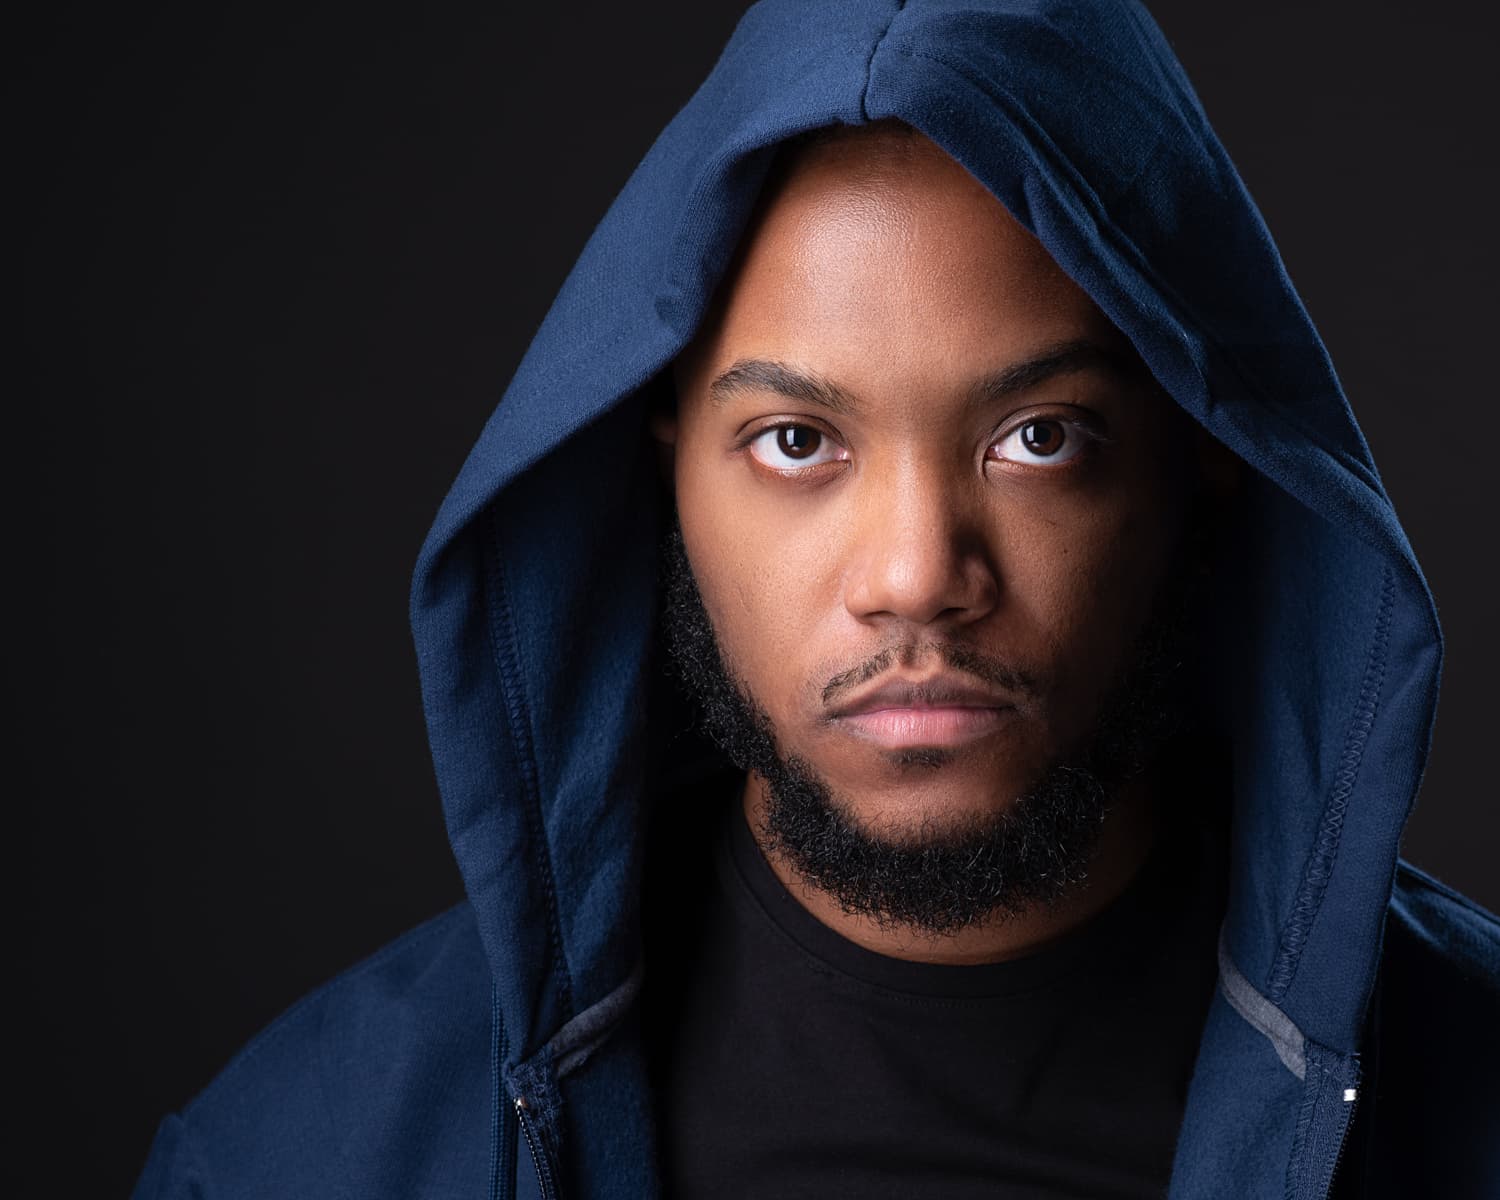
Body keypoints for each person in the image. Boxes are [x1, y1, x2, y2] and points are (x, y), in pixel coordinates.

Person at [131, 2, 1499, 1198]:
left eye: (1038, 436)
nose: (914, 576)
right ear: (664, 469)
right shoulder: (295, 1156)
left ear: (1205, 456)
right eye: (797, 442)